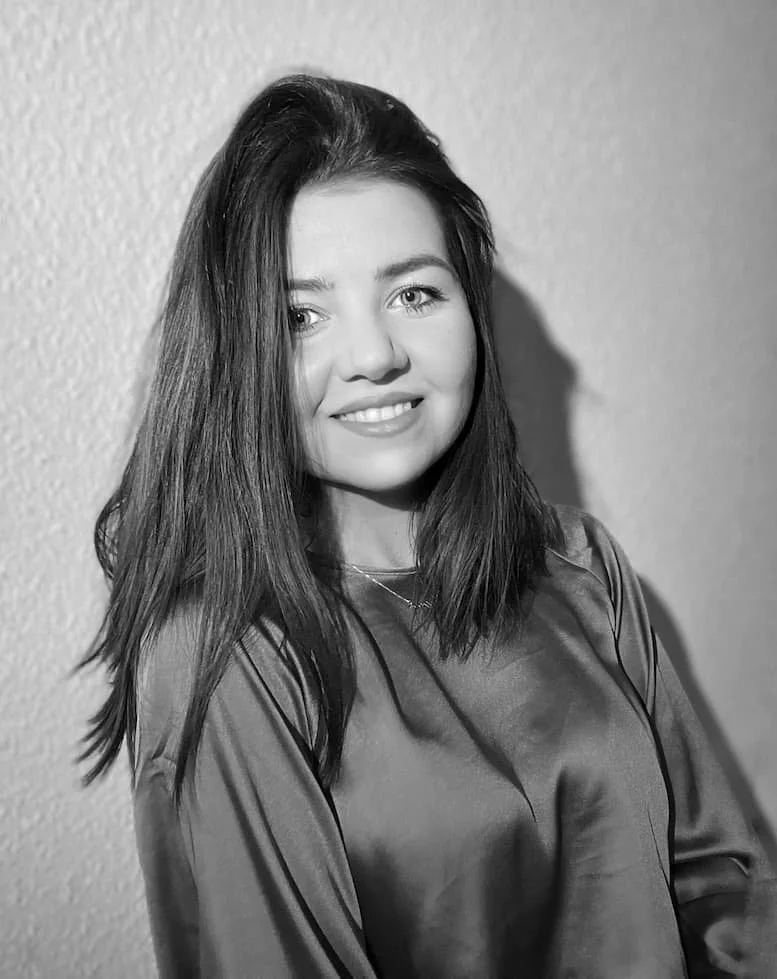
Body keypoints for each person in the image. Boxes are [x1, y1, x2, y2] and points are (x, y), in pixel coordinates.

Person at [79, 73, 774, 978]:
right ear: (236, 351)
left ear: (469, 313)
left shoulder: (578, 563)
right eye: (301, 316)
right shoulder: (225, 653)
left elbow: (723, 888)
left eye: (413, 294)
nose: (373, 355)